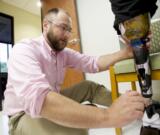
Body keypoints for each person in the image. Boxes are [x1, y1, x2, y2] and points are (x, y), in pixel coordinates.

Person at [3, 8, 148, 135]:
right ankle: (120, 112)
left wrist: (126, 53)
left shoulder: (63, 53)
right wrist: (108, 116)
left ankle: (138, 107)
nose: (67, 35)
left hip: (49, 100)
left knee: (88, 87)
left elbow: (92, 63)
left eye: (69, 30)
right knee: (77, 129)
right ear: (46, 25)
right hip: (22, 116)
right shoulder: (25, 49)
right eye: (63, 28)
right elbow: (40, 100)